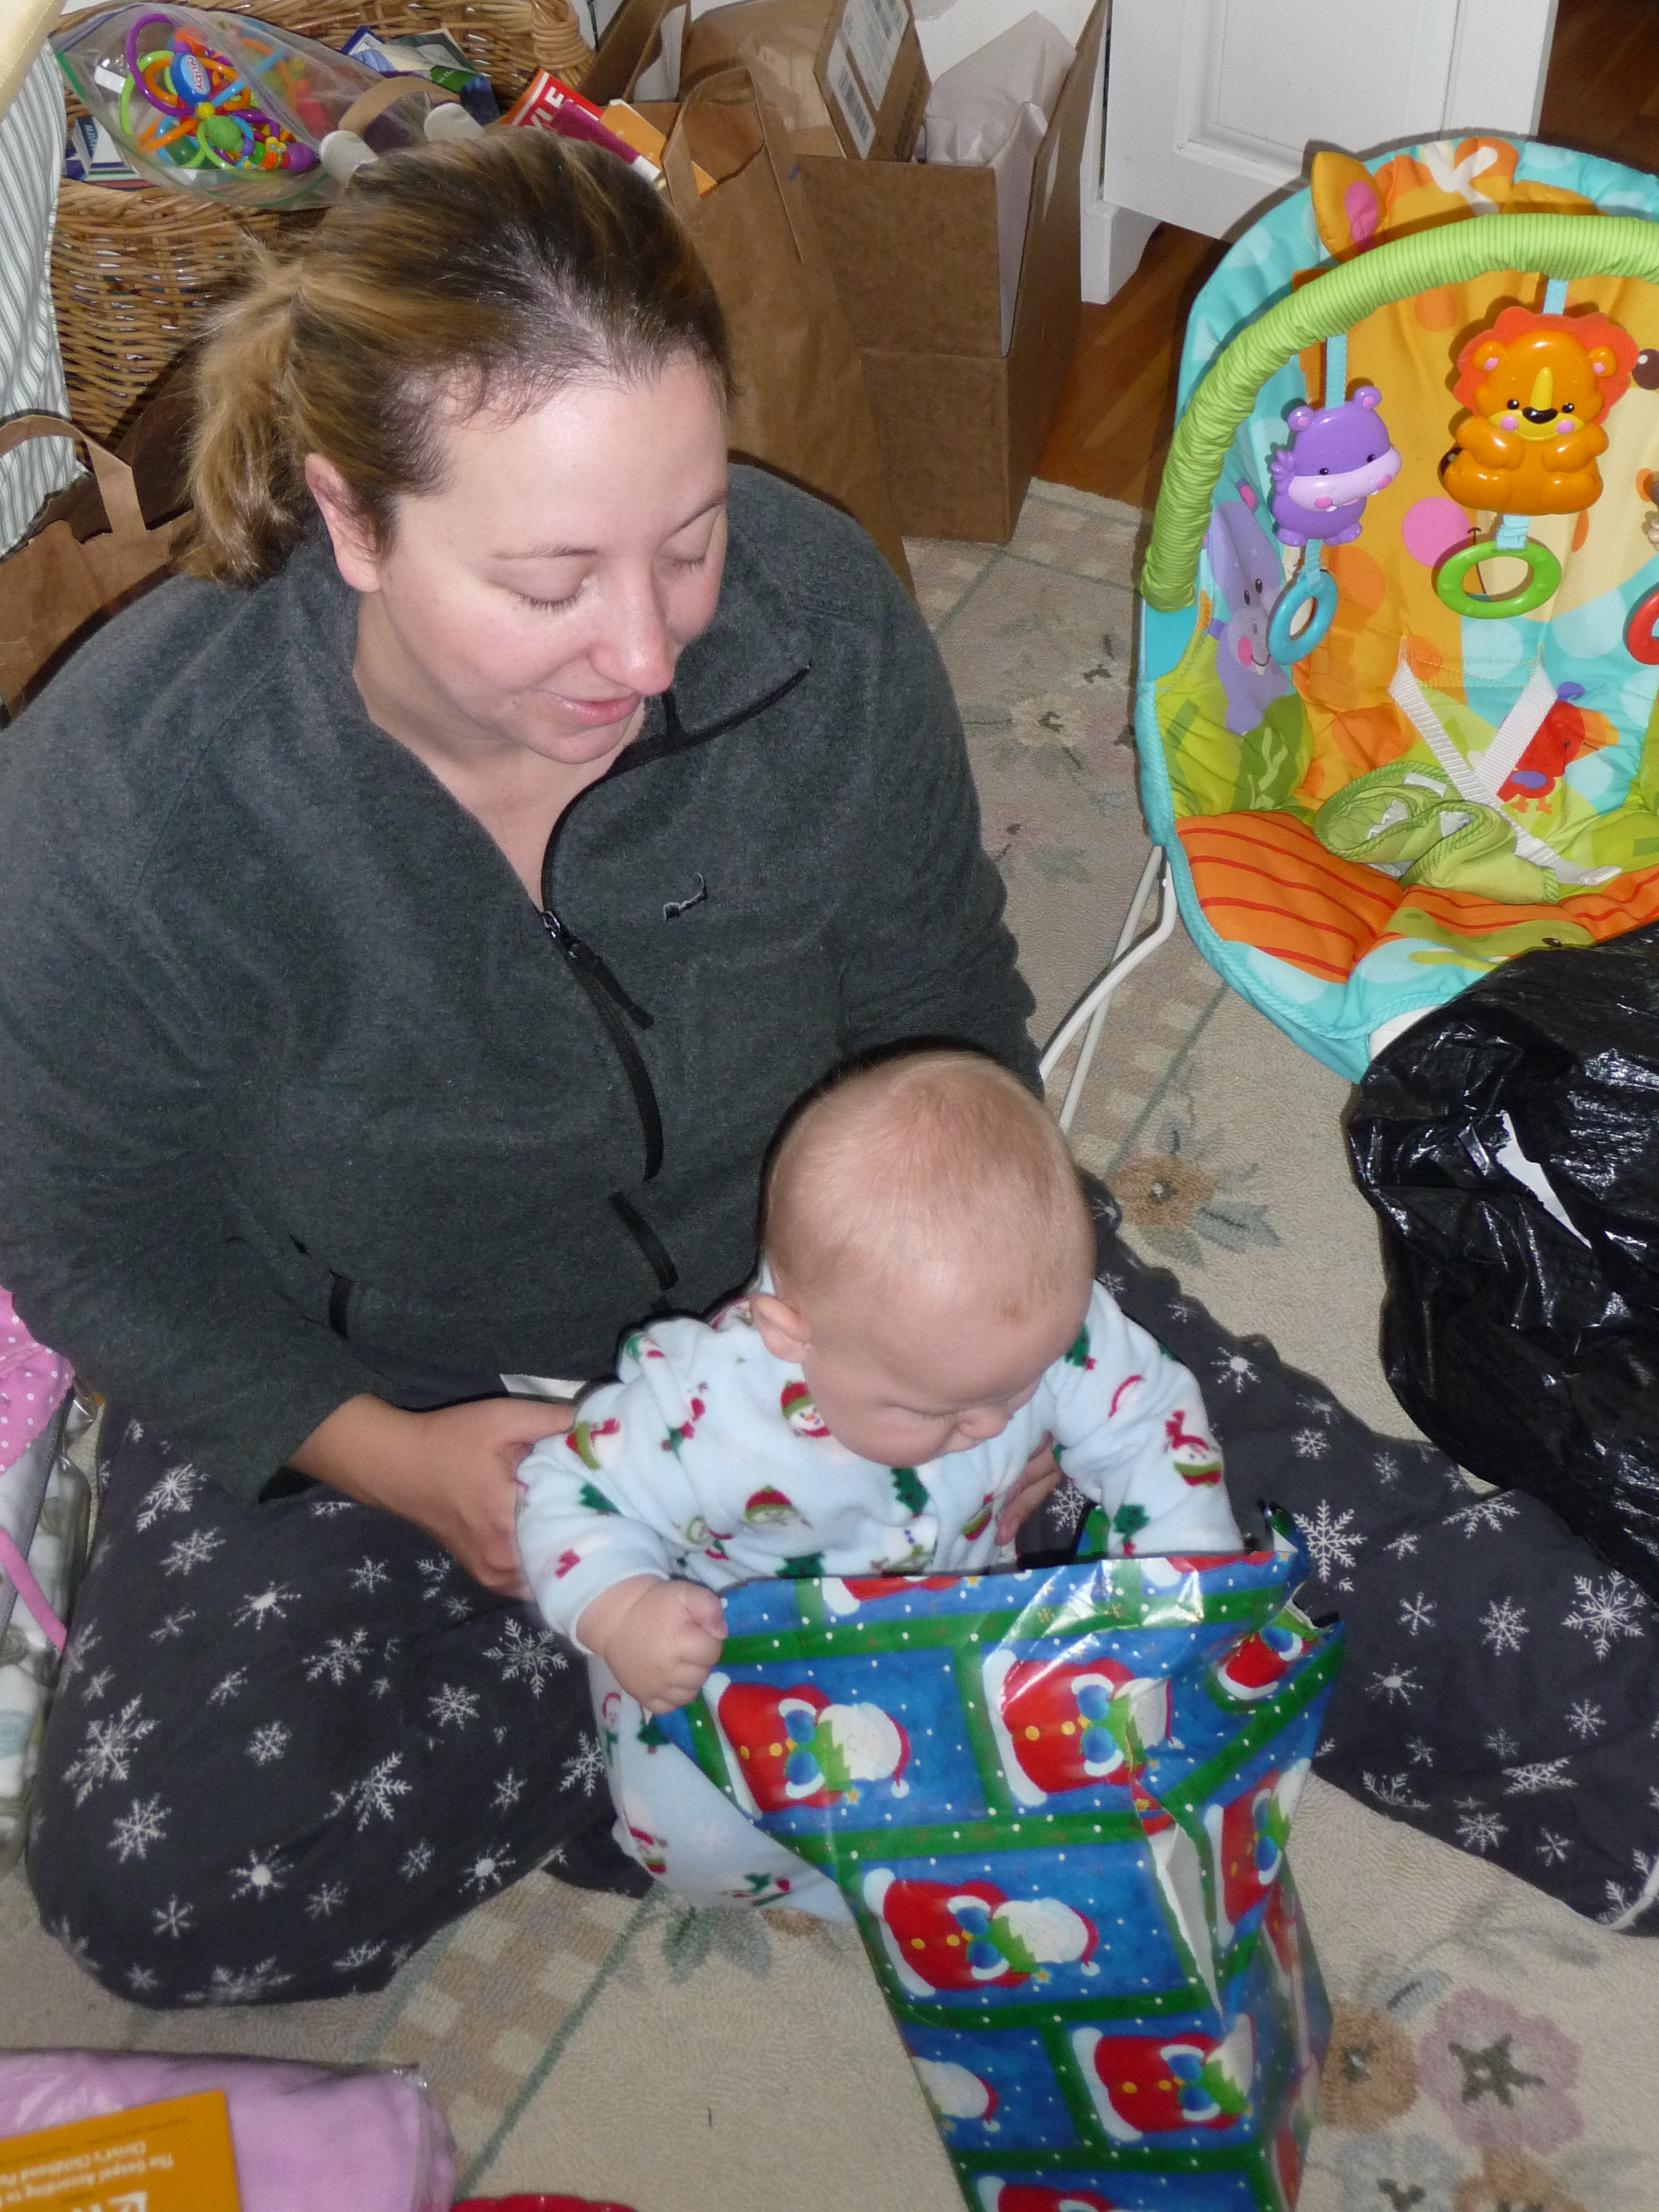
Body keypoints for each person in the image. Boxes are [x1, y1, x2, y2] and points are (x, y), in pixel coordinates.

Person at [0, 129, 1054, 2007]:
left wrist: (959, 1308)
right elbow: (90, 1238)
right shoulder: (125, 807)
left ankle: (751, 1695)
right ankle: (786, 1702)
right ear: (350, 521)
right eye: (552, 580)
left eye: (690, 540)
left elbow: (942, 995)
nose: (644, 650)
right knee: (162, 1884)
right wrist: (399, 1465)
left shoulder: (815, 623)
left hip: (825, 1279)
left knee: (1267, 1539)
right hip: (383, 1363)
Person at [517, 1051, 1242, 1913]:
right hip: (735, 1652)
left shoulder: (1019, 1323)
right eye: (941, 1409)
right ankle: (856, 1891)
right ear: (790, 1334)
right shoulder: (707, 1413)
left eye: (1019, 1387)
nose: (993, 1426)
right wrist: (623, 1611)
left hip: (953, 1617)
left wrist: (1185, 1565)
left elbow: (1147, 1416)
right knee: (688, 1834)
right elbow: (568, 1489)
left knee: (1064, 1743)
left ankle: (966, 1849)